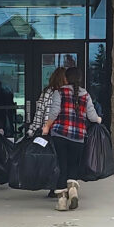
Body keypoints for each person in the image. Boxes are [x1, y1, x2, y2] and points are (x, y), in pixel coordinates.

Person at [42, 66, 101, 212]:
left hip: (60, 135)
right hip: (78, 136)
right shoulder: (85, 94)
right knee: (74, 165)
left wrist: (47, 126)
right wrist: (99, 119)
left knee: (62, 166)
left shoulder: (59, 92)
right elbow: (92, 116)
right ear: (79, 79)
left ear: (66, 78)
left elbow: (54, 111)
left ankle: (62, 202)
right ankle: (73, 189)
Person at [27, 66, 68, 197]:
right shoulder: (69, 93)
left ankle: (53, 186)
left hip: (48, 130)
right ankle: (64, 185)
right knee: (64, 160)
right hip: (64, 131)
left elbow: (39, 113)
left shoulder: (47, 92)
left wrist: (32, 130)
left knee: (51, 159)